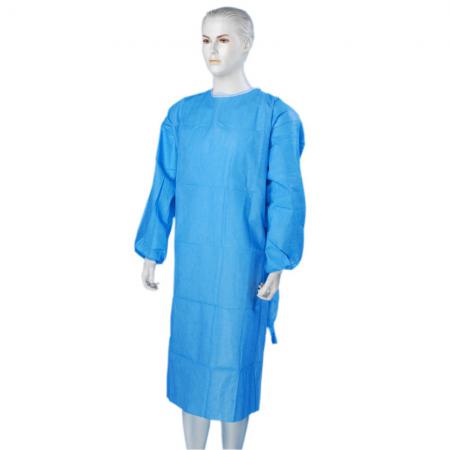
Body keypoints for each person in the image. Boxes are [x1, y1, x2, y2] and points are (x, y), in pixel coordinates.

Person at [134, 6, 306, 449]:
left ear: (246, 44)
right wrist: (153, 247)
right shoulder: (181, 115)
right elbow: (165, 183)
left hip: (243, 266)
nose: (212, 49)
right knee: (192, 357)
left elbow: (285, 194)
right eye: (206, 39)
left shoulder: (275, 116)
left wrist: (278, 260)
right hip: (194, 264)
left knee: (234, 358)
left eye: (224, 39)